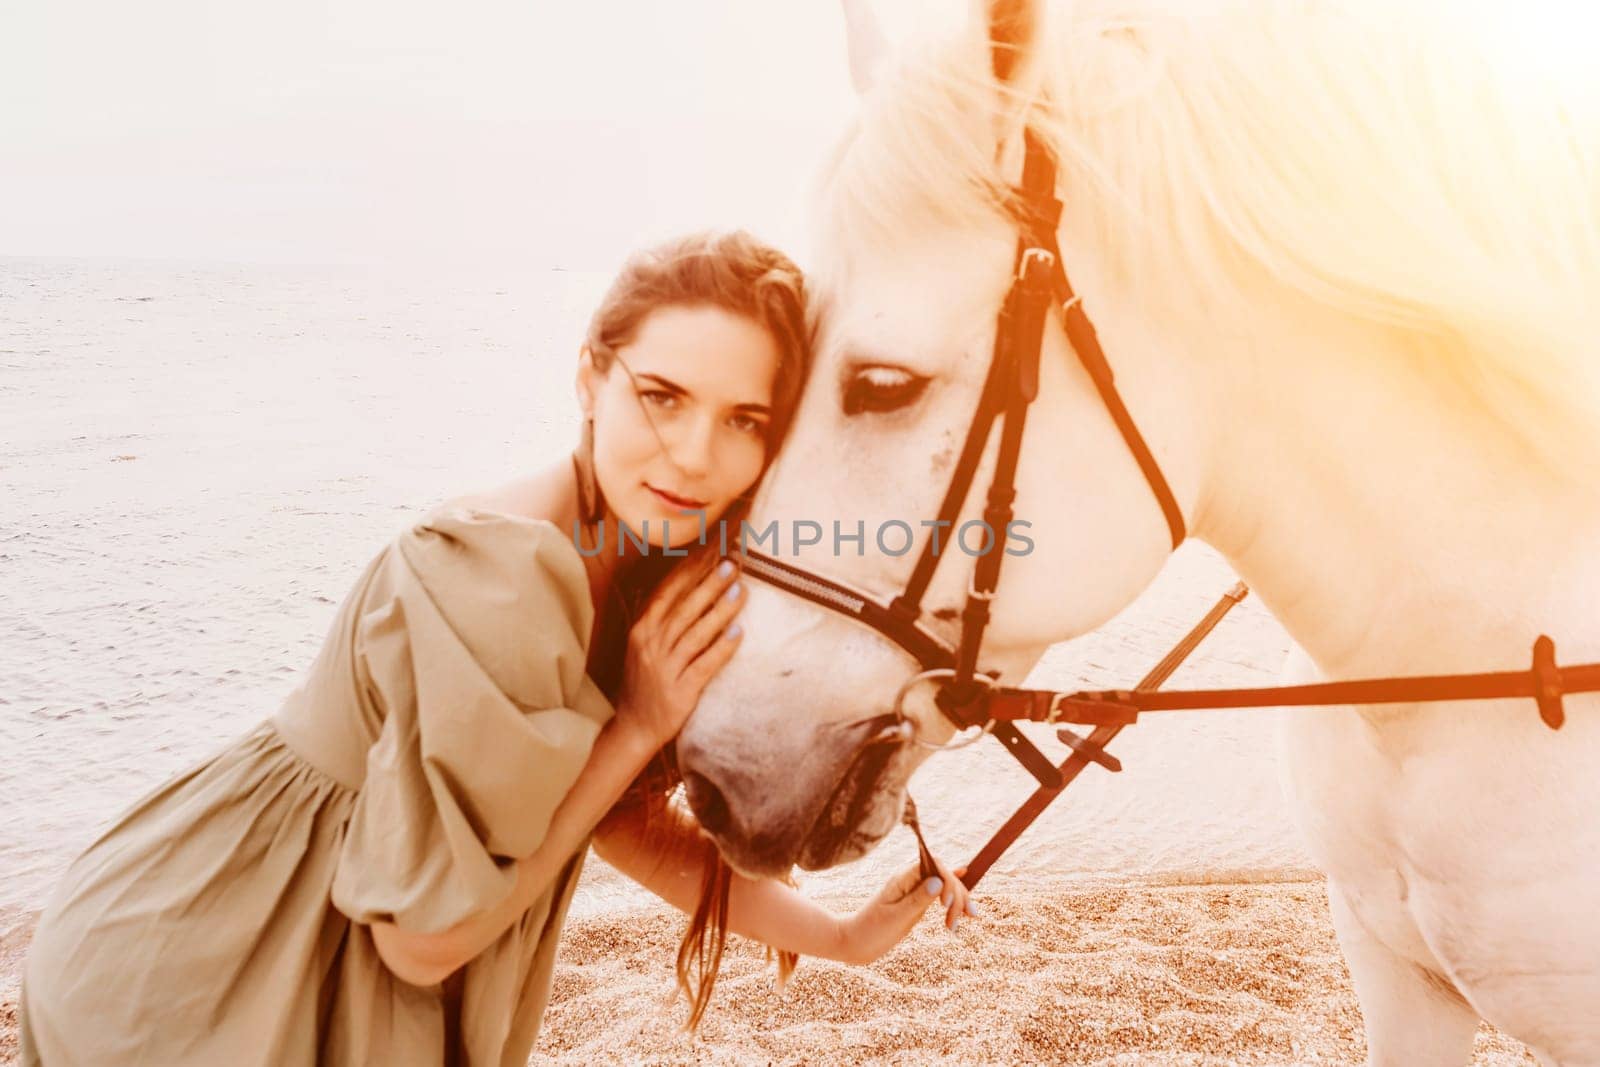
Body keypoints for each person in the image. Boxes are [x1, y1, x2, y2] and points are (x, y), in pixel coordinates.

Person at [19, 230, 974, 1066]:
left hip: (311, 950)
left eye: (744, 421)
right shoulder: (502, 575)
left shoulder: (634, 550)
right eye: (662, 396)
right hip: (211, 972)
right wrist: (638, 723)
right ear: (589, 380)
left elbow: (615, 818)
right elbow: (424, 943)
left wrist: (843, 936)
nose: (693, 454)